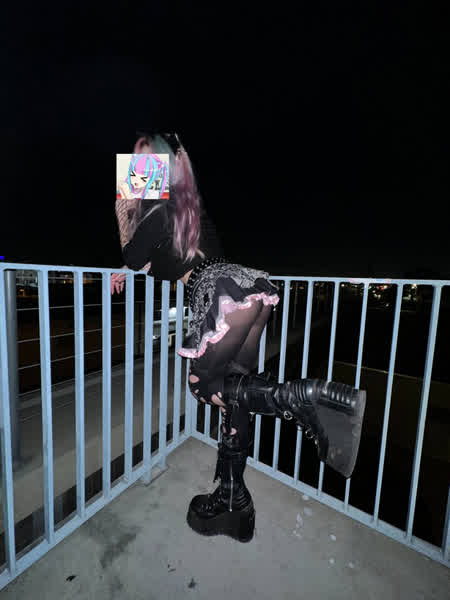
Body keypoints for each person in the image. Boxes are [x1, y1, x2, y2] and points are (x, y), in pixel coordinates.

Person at [113, 131, 367, 543]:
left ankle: (307, 397)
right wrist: (135, 263)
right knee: (235, 394)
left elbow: (131, 253)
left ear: (153, 170)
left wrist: (125, 202)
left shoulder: (158, 210)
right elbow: (148, 263)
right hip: (246, 287)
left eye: (142, 163)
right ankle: (234, 499)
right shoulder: (191, 210)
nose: (137, 171)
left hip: (219, 293)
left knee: (203, 387)